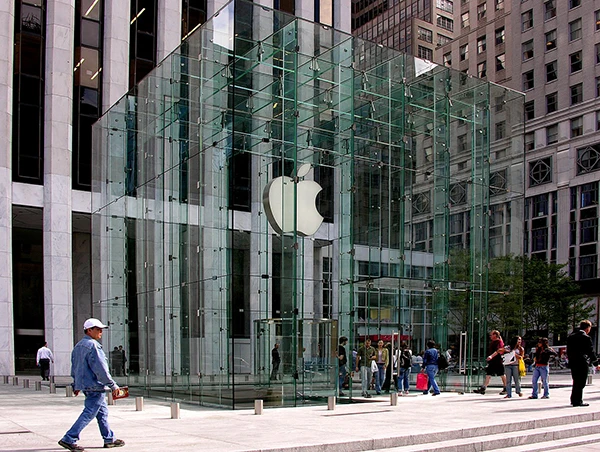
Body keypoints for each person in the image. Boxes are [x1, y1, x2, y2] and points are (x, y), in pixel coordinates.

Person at [58, 318, 124, 451]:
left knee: (102, 413)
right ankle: (69, 438)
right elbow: (101, 370)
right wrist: (113, 385)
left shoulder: (78, 346)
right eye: (98, 329)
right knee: (89, 413)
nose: (101, 332)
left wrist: (76, 385)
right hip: (95, 386)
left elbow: (75, 367)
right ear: (89, 330)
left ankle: (109, 439)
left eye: (102, 329)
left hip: (86, 386)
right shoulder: (94, 346)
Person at [567, 320, 600, 407]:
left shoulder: (571, 337)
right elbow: (590, 352)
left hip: (573, 362)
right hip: (581, 362)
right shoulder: (586, 338)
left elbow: (568, 351)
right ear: (588, 328)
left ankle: (574, 399)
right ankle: (578, 400)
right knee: (581, 381)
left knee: (575, 380)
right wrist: (596, 363)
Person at [474, 330, 507, 395]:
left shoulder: (499, 342)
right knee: (488, 374)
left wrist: (491, 356)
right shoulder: (493, 342)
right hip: (492, 361)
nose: (490, 336)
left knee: (502, 374)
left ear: (495, 335)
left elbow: (499, 351)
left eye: (491, 335)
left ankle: (506, 388)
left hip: (498, 361)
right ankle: (483, 388)